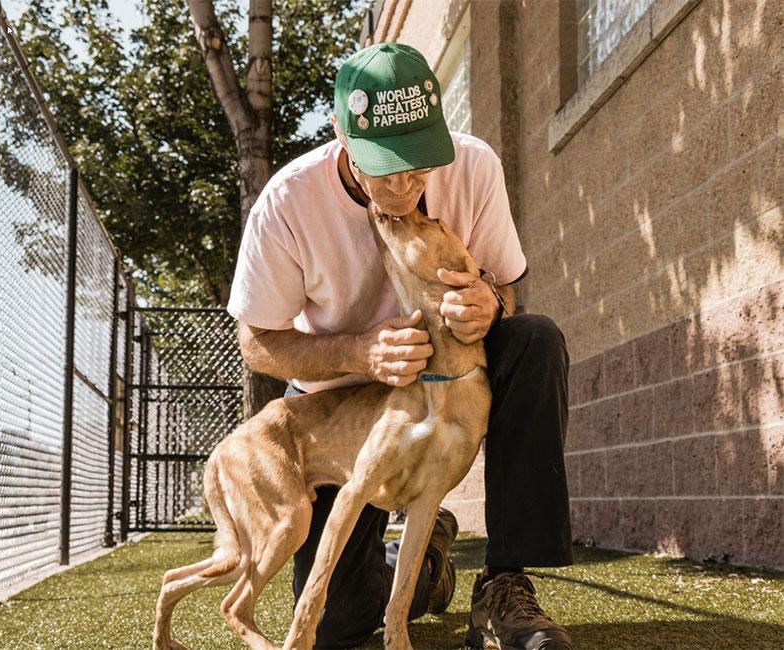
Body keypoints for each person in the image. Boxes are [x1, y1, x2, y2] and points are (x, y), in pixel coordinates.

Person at [227, 42, 574, 650]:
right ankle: (427, 565)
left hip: (449, 378)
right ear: (341, 134)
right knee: (339, 624)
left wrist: (491, 304)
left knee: (534, 340)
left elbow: (508, 289)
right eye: (389, 166)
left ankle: (503, 582)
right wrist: (357, 353)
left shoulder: (474, 165)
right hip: (342, 401)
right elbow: (256, 342)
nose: (410, 184)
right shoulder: (288, 202)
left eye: (421, 162)